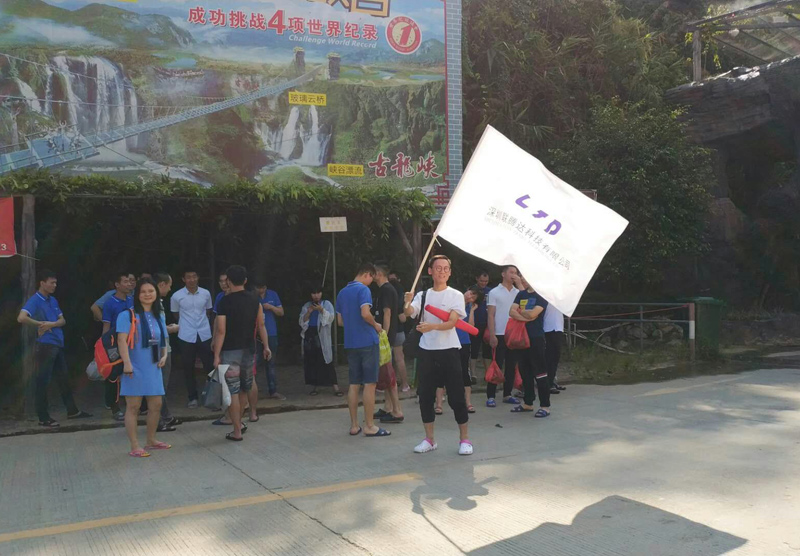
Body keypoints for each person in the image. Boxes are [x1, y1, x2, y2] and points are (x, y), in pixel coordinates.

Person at [404, 255, 472, 455]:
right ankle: (429, 439)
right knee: (425, 396)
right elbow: (409, 312)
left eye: (445, 268)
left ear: (450, 272)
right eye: (438, 268)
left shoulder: (455, 295)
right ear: (430, 271)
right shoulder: (423, 295)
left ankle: (464, 439)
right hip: (427, 351)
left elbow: (452, 322)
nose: (442, 271)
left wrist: (431, 327)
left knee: (457, 397)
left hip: (449, 350)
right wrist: (407, 302)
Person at [17, 269, 92, 427]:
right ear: (42, 283)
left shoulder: (53, 300)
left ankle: (72, 411)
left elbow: (62, 321)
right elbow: (21, 317)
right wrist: (40, 324)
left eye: (55, 283)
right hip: (45, 344)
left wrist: (51, 324)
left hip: (57, 343)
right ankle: (43, 417)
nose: (54, 285)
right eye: (52, 282)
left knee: (63, 379)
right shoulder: (35, 300)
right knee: (42, 381)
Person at [212, 265, 271, 441]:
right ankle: (242, 421)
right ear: (245, 280)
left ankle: (236, 430)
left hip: (230, 350)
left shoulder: (224, 302)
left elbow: (221, 331)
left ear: (228, 281)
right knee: (245, 388)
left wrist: (216, 354)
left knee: (232, 391)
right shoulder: (255, 300)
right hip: (249, 350)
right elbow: (261, 325)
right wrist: (266, 346)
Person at [116, 278, 169, 457]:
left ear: (156, 293)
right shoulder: (127, 315)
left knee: (156, 404)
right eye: (143, 291)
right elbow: (121, 340)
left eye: (151, 291)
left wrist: (164, 355)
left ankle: (151, 440)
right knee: (134, 406)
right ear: (137, 295)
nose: (147, 294)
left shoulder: (159, 315)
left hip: (154, 366)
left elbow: (163, 339)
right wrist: (127, 363)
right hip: (134, 367)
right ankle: (134, 446)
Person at [336, 263, 390, 438]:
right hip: (367, 341)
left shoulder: (342, 293)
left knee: (354, 384)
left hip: (350, 342)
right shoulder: (363, 290)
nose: (371, 282)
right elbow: (365, 313)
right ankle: (370, 425)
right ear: (367, 274)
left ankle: (354, 425)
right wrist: (375, 325)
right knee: (369, 383)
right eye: (371, 278)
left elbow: (340, 321)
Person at [508, 274, 551, 417]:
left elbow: (534, 314)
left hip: (535, 338)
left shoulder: (541, 296)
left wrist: (521, 313)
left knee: (540, 372)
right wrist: (525, 316)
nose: (522, 279)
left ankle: (545, 405)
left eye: (525, 276)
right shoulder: (521, 294)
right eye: (522, 277)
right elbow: (511, 311)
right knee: (524, 370)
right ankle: (528, 402)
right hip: (521, 338)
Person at [171, 269, 213, 408]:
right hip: (186, 335)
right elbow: (176, 314)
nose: (192, 280)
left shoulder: (206, 293)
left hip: (204, 333)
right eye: (188, 277)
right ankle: (192, 397)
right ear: (183, 279)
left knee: (209, 366)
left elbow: (208, 311)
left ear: (198, 277)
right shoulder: (177, 296)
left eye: (194, 276)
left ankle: (212, 396)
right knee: (188, 367)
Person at [437, 286, 482, 415]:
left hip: (463, 342)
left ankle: (468, 403)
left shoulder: (468, 308)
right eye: (470, 293)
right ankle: (438, 404)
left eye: (473, 297)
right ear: (467, 290)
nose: (470, 296)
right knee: (442, 371)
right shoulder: (452, 301)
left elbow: (471, 327)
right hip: (448, 341)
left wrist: (472, 310)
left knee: (464, 372)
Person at [372, 263, 403, 424]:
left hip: (385, 337)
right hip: (386, 336)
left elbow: (387, 313)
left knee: (388, 373)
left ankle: (397, 410)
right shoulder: (384, 289)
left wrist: (383, 334)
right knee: (386, 373)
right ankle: (388, 407)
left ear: (379, 273)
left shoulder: (387, 289)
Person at [485, 265, 521, 408]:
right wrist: (492, 334)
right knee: (497, 364)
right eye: (511, 272)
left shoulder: (518, 292)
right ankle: (491, 395)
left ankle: (507, 394)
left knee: (511, 365)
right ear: (503, 274)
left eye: (516, 273)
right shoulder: (494, 292)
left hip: (513, 333)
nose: (513, 275)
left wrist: (519, 284)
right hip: (499, 333)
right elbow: (491, 315)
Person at [102, 271, 135, 420]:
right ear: (117, 285)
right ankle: (115, 408)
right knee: (114, 375)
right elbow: (106, 326)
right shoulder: (109, 303)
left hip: (132, 342)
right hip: (115, 343)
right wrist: (105, 346)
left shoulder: (132, 301)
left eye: (130, 281)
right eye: (125, 282)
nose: (129, 284)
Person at [299, 286, 341, 396]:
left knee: (327, 361)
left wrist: (321, 310)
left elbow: (330, 318)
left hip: (322, 335)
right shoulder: (307, 305)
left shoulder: (327, 304)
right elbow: (302, 321)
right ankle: (315, 386)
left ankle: (335, 387)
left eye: (318, 293)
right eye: (314, 293)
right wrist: (309, 312)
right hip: (310, 335)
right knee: (313, 361)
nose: (316, 295)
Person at [154, 273, 182, 432]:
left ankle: (166, 416)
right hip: (160, 349)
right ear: (161, 284)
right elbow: (155, 329)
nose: (170, 289)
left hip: (163, 347)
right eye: (169, 285)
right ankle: (158, 421)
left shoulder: (157, 303)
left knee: (161, 386)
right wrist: (171, 329)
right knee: (160, 386)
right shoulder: (154, 304)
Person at [254, 278, 285, 400]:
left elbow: (281, 312)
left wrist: (271, 307)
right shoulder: (251, 297)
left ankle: (273, 391)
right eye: (258, 288)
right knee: (254, 363)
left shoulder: (273, 294)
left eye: (263, 288)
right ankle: (251, 391)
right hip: (255, 334)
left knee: (271, 363)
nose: (261, 290)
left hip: (271, 332)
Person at [388, 271, 411, 392]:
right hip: (398, 331)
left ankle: (391, 384)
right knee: (399, 359)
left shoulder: (385, 296)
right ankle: (405, 384)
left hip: (387, 331)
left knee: (388, 360)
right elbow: (403, 318)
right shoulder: (401, 298)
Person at [470, 270, 492, 382]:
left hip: (487, 324)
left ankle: (488, 373)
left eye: (486, 281)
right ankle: (473, 374)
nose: (484, 283)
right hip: (475, 323)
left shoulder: (490, 291)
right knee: (474, 348)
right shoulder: (472, 290)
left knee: (487, 350)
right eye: (482, 281)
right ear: (477, 279)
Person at [544, 303, 567, 394]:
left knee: (556, 356)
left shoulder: (558, 298)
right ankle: (548, 383)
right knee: (549, 357)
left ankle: (552, 380)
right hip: (548, 328)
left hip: (558, 327)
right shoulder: (544, 296)